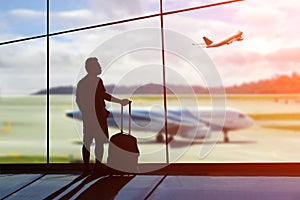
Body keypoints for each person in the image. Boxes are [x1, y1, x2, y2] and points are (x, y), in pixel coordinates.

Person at [76, 57, 130, 176]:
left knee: (87, 142)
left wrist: (86, 113)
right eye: (97, 65)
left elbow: (79, 100)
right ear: (91, 68)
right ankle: (98, 167)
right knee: (98, 142)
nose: (100, 67)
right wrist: (119, 102)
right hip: (98, 117)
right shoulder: (97, 81)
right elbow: (104, 96)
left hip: (90, 117)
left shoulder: (82, 83)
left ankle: (86, 168)